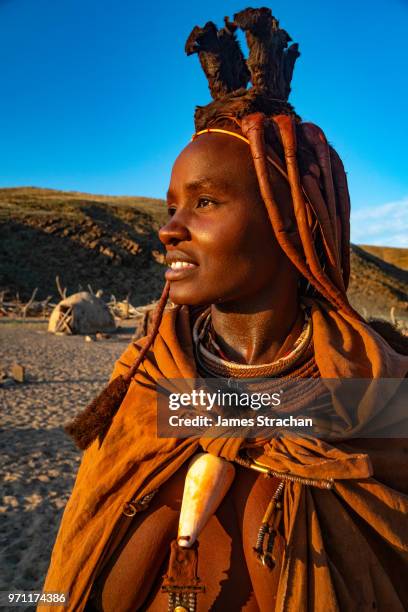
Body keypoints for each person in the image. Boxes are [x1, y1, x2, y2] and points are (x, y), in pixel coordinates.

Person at [41, 7, 408, 612]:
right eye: (172, 205)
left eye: (206, 201)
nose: (169, 230)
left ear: (291, 222)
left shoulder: (378, 396)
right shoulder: (146, 381)